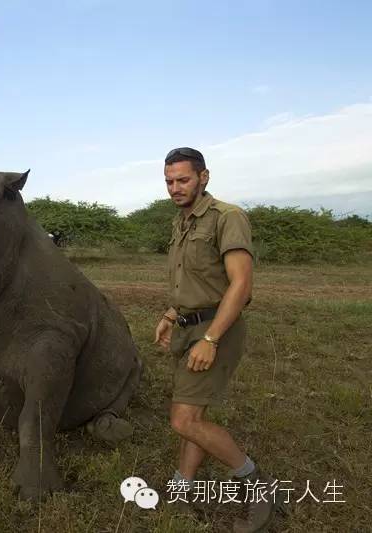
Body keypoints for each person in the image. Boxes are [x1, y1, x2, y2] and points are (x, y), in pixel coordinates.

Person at [153, 148, 275, 532]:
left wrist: (210, 337)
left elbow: (241, 284)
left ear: (203, 177)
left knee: (184, 420)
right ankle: (183, 488)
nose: (175, 187)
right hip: (190, 326)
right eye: (169, 180)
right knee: (195, 415)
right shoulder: (181, 220)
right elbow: (198, 280)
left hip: (216, 330)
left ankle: (258, 485)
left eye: (183, 179)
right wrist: (173, 313)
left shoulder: (228, 217)